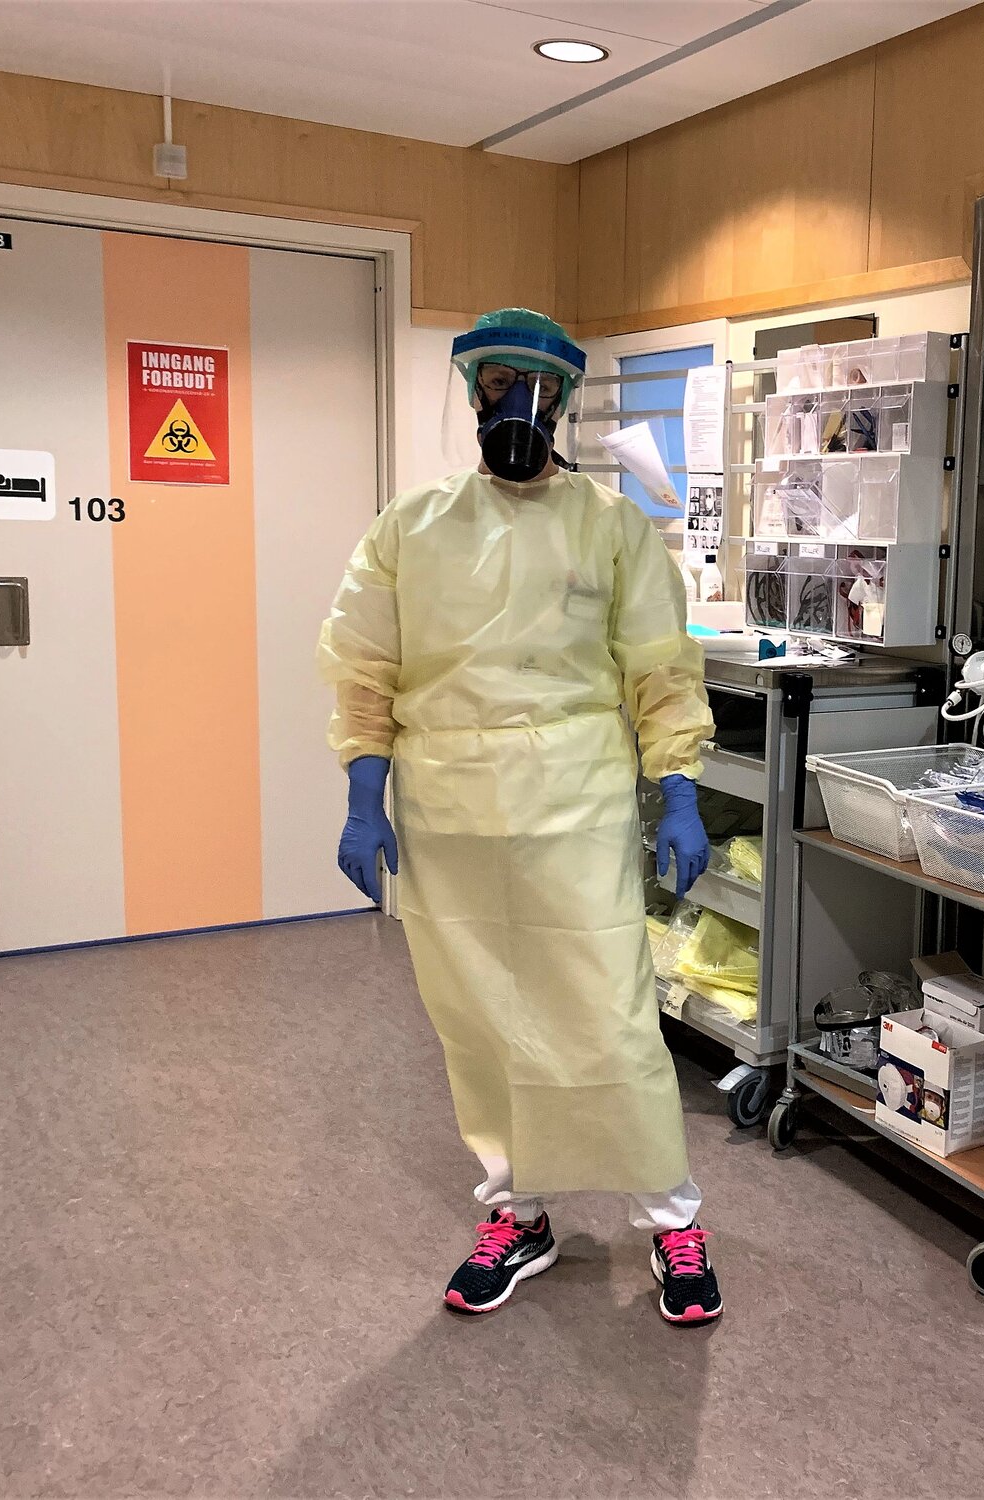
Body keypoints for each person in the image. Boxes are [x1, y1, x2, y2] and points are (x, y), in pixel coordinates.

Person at [317, 309, 722, 1325]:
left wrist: (678, 789)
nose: (517, 405)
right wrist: (363, 799)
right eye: (499, 383)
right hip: (448, 813)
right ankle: (517, 1211)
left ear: (565, 401)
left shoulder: (612, 527)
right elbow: (364, 669)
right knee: (480, 1023)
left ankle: (670, 1219)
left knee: (610, 1016)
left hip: (574, 808)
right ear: (473, 392)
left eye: (537, 387)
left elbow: (661, 671)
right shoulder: (410, 527)